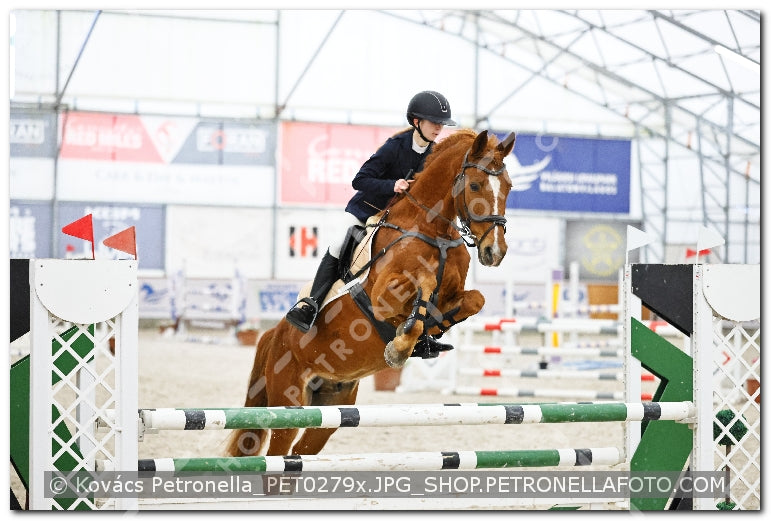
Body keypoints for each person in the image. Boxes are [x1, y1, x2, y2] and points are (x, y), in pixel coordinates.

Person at [285, 90, 457, 359]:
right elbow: (359, 180)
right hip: (366, 211)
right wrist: (393, 185)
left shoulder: (434, 155)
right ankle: (310, 304)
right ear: (416, 122)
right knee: (339, 242)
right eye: (433, 121)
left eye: (441, 123)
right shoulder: (394, 147)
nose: (439, 127)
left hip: (397, 220)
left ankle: (420, 335)